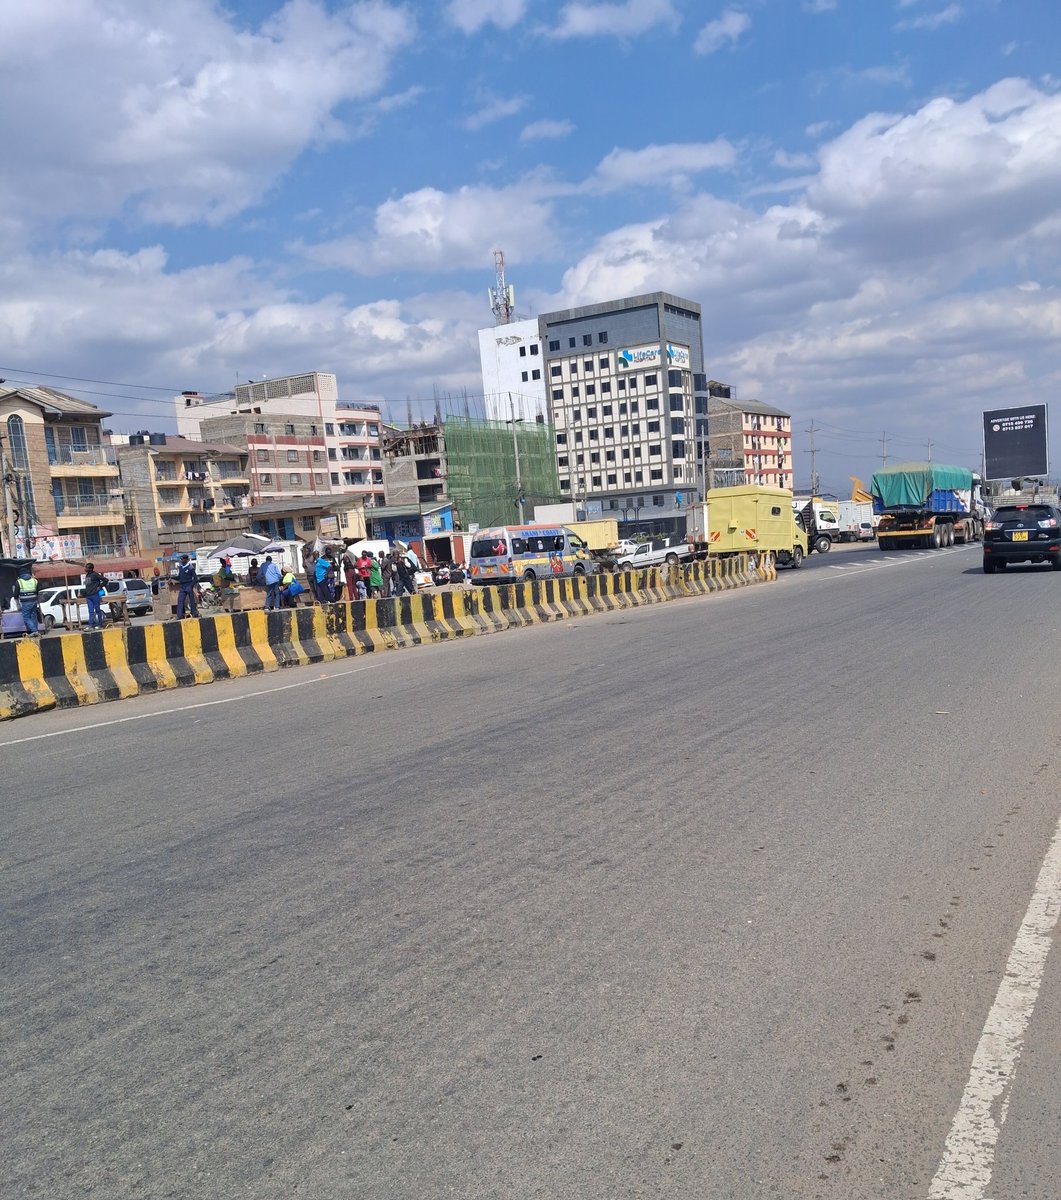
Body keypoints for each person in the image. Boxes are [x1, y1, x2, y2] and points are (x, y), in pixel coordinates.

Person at [16, 566, 40, 637]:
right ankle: (36, 630)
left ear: (20, 574)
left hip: (25, 601)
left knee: (26, 616)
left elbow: (16, 593)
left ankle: (34, 630)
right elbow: (37, 591)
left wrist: (16, 600)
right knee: (33, 615)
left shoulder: (19, 581)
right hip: (34, 600)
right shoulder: (35, 580)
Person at [83, 561, 106, 630]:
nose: (85, 569)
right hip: (88, 596)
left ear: (90, 568)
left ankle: (100, 625)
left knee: (98, 610)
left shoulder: (95, 574)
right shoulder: (87, 575)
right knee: (90, 611)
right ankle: (91, 625)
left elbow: (105, 580)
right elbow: (88, 585)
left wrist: (99, 586)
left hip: (95, 595)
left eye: (86, 568)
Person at [176, 554, 199, 619]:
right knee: (180, 600)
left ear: (186, 559)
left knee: (191, 600)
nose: (182, 560)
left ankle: (194, 612)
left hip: (189, 585)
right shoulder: (180, 568)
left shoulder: (190, 567)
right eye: (181, 559)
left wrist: (191, 585)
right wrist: (172, 578)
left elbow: (195, 578)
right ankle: (179, 615)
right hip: (182, 586)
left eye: (183, 559)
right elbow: (179, 577)